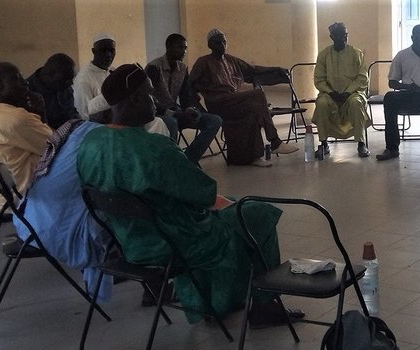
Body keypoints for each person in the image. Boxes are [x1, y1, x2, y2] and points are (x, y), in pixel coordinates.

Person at [77, 64, 303, 325]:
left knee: (232, 207)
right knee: (256, 213)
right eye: (150, 95)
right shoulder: (154, 148)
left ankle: (213, 302)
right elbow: (203, 191)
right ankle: (265, 307)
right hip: (176, 241)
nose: (155, 102)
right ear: (135, 99)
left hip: (130, 241)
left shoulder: (91, 143)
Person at [13, 119, 113, 300]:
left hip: (28, 219)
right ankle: (149, 275)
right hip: (55, 232)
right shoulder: (102, 138)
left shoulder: (73, 129)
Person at [189, 28, 298, 167]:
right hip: (218, 103)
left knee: (253, 111)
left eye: (224, 42)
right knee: (257, 95)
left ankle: (252, 158)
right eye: (217, 42)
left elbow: (253, 69)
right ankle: (275, 141)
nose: (222, 45)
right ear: (210, 45)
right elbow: (190, 86)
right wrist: (199, 109)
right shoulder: (203, 62)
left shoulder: (231, 60)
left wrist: (276, 69)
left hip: (234, 101)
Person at [0, 62, 52, 209]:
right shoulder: (17, 118)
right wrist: (41, 113)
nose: (25, 82)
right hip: (24, 199)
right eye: (17, 79)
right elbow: (55, 146)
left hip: (0, 197)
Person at [73, 32, 173, 136]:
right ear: (94, 51)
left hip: (125, 119)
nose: (108, 55)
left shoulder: (113, 71)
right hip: (104, 128)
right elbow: (85, 117)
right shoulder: (84, 80)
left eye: (111, 50)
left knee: (159, 122)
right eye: (103, 50)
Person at [146, 33, 222, 164]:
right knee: (171, 122)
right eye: (180, 47)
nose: (184, 51)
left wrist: (188, 109)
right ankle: (172, 163)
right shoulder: (154, 67)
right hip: (158, 114)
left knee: (214, 120)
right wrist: (176, 113)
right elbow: (148, 99)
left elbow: (185, 95)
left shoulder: (182, 68)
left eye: (185, 48)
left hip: (177, 112)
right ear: (169, 47)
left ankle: (187, 161)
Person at [375, 24, 420, 161]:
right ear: (412, 37)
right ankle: (392, 148)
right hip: (407, 94)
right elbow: (392, 82)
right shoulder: (402, 55)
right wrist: (407, 86)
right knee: (389, 97)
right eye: (417, 39)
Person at [313, 22, 371, 158]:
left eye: (346, 35)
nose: (344, 38)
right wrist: (330, 92)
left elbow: (362, 78)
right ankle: (324, 143)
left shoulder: (356, 53)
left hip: (352, 94)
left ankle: (361, 143)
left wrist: (348, 92)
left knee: (357, 103)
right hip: (330, 94)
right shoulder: (324, 55)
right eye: (340, 35)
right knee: (321, 104)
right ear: (332, 37)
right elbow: (319, 79)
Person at [26, 53, 80, 128]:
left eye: (72, 78)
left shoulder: (63, 86)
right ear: (49, 75)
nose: (71, 83)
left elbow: (72, 112)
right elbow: (35, 128)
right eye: (66, 79)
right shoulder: (27, 92)